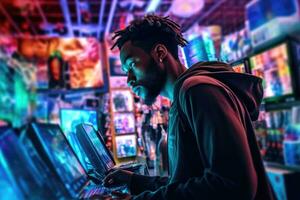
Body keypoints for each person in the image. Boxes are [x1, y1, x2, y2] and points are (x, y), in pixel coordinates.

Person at [103, 15, 274, 200]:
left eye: (132, 65)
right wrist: (135, 182)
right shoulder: (185, 96)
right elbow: (187, 182)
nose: (129, 79)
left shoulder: (198, 90)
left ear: (160, 53)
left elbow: (232, 184)